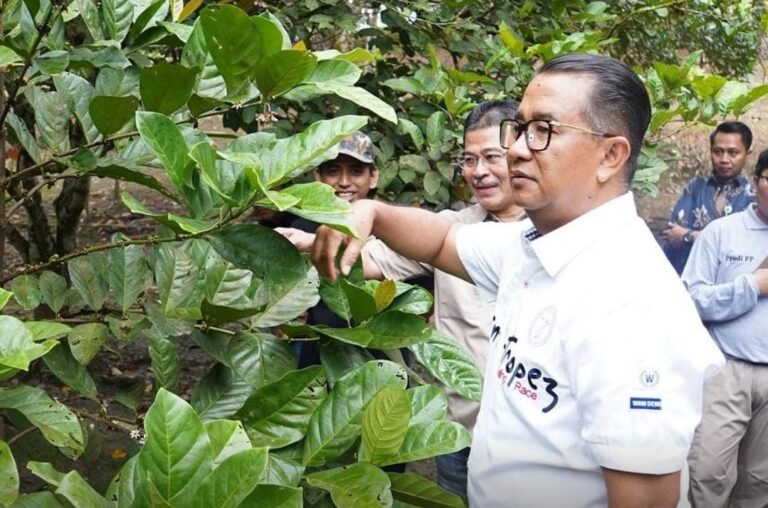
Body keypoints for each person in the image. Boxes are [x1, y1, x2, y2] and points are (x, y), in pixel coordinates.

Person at [311, 53, 724, 507]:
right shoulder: (532, 246)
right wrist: (371, 211)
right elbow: (442, 239)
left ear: (610, 156)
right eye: (521, 128)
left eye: (544, 130)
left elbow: (645, 501)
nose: (518, 149)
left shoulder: (631, 302)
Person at [363, 100, 523, 501]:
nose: (479, 171)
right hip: (461, 432)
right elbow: (370, 260)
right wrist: (309, 242)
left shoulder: (555, 235)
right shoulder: (451, 231)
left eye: (492, 157)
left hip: (529, 443)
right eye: (469, 160)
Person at [682, 149, 768, 507]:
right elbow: (691, 300)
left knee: (761, 480)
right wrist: (753, 286)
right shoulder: (721, 233)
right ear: (756, 181)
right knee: (708, 473)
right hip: (726, 368)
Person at [662, 121, 754, 274]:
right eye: (718, 151)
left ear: (747, 154)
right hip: (686, 277)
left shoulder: (752, 196)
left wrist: (689, 236)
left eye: (733, 153)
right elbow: (673, 234)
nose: (724, 159)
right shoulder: (696, 186)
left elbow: (741, 247)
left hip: (730, 282)